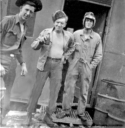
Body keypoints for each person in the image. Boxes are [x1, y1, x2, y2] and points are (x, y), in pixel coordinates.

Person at [26, 10, 75, 126]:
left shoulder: (68, 36)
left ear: (65, 24)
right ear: (54, 22)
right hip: (44, 64)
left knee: (54, 93)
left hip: (58, 66)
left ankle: (48, 117)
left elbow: (72, 47)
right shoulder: (46, 32)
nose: (59, 25)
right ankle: (28, 116)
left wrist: (65, 57)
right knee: (36, 91)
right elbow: (34, 46)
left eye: (62, 23)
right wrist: (40, 42)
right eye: (57, 22)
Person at [0, 0, 42, 124]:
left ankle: (2, 118)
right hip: (1, 61)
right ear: (21, 8)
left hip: (12, 64)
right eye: (26, 10)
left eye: (31, 12)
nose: (28, 13)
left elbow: (18, 49)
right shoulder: (8, 21)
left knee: (8, 93)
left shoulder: (25, 27)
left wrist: (23, 63)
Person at [57, 12, 102, 126]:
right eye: (87, 20)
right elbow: (68, 48)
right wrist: (69, 60)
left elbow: (99, 55)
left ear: (93, 23)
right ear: (84, 21)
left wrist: (91, 66)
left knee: (84, 90)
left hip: (87, 65)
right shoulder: (76, 34)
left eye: (91, 21)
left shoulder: (96, 37)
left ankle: (81, 112)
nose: (89, 22)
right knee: (69, 87)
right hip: (74, 64)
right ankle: (66, 110)